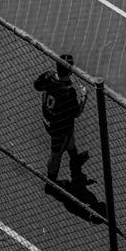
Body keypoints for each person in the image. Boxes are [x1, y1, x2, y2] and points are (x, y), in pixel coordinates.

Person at [33, 54, 89, 187]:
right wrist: (84, 97)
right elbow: (77, 113)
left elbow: (37, 86)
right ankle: (51, 183)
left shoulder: (48, 76)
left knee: (70, 138)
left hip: (48, 118)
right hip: (59, 127)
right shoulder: (68, 92)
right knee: (55, 154)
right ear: (70, 71)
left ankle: (74, 159)